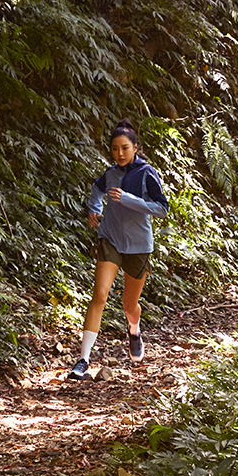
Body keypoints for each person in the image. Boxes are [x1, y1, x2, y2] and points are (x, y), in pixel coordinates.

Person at [68, 119, 168, 379]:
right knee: (99, 295)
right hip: (110, 239)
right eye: (115, 149)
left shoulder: (146, 173)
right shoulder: (110, 173)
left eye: (125, 148)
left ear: (136, 147)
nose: (120, 153)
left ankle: (134, 331)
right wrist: (94, 209)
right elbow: (97, 189)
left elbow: (162, 209)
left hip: (138, 246)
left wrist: (129, 199)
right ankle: (83, 360)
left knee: (128, 305)